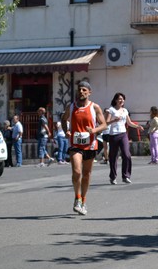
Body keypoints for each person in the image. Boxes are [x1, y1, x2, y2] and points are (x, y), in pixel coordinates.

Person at [62, 81, 107, 215]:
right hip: (75, 144)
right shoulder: (71, 107)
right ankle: (77, 198)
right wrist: (66, 131)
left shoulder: (95, 107)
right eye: (79, 90)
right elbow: (64, 119)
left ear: (89, 92)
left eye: (84, 90)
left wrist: (94, 130)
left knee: (86, 175)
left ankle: (83, 200)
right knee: (77, 172)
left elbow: (104, 125)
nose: (81, 92)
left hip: (90, 144)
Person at [105, 92, 144, 184]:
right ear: (115, 100)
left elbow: (129, 123)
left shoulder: (125, 110)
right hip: (113, 135)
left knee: (127, 155)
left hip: (123, 134)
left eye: (122, 99)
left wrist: (137, 126)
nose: (121, 100)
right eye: (119, 99)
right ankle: (113, 177)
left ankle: (125, 176)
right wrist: (114, 120)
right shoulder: (111, 110)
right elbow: (106, 122)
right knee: (113, 157)